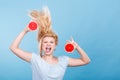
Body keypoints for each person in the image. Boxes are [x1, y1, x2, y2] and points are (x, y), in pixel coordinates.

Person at [10, 7, 90, 80]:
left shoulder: (63, 61)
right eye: (45, 42)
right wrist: (25, 31)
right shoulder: (35, 59)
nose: (48, 44)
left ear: (55, 45)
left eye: (51, 42)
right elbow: (13, 48)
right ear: (41, 45)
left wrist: (77, 47)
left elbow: (86, 61)